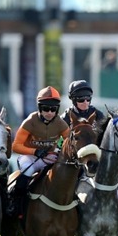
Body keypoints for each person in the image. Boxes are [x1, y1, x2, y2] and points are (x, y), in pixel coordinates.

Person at [8, 86, 71, 218]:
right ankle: (17, 205)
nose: (49, 112)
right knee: (28, 171)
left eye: (53, 109)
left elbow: (69, 142)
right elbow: (16, 146)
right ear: (39, 108)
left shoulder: (61, 124)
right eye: (45, 108)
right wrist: (35, 151)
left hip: (49, 157)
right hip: (29, 157)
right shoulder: (30, 121)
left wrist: (60, 151)